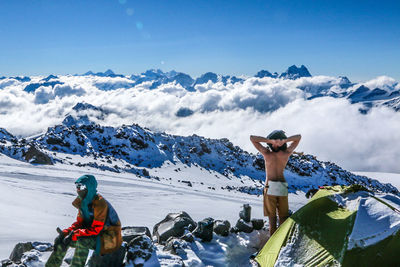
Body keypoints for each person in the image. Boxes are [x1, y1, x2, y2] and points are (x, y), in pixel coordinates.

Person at [46, 174, 122, 267]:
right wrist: (66, 232)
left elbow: (97, 229)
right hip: (92, 234)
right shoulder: (83, 202)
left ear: (89, 187)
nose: (78, 190)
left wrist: (76, 233)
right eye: (77, 187)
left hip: (108, 238)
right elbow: (79, 223)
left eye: (81, 187)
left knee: (82, 241)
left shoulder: (99, 203)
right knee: (62, 241)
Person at [250, 130, 301, 236]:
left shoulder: (267, 153)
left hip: (270, 186)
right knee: (282, 218)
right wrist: (283, 140)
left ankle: (273, 246)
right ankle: (281, 244)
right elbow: (298, 137)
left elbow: (252, 138)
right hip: (281, 185)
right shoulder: (286, 153)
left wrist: (270, 140)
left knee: (272, 220)